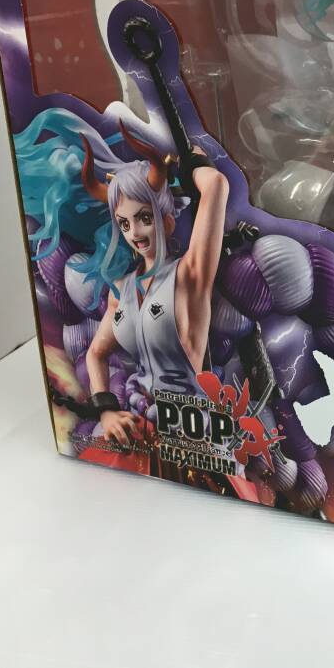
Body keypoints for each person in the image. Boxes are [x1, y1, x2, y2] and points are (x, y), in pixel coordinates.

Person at [78, 122, 229, 445]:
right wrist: (106, 411)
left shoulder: (189, 275)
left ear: (167, 221)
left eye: (144, 218)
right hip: (141, 428)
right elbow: (96, 354)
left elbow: (216, 185)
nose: (134, 232)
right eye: (124, 223)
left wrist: (192, 159)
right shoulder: (122, 290)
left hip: (191, 432)